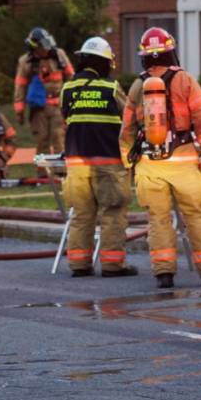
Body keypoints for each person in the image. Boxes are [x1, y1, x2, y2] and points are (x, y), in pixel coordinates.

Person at [120, 27, 201, 290]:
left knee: (158, 219)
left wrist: (127, 160)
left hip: (151, 165)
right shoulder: (185, 80)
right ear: (170, 51)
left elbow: (127, 129)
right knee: (196, 217)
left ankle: (164, 274)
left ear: (144, 57)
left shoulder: (137, 85)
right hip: (185, 161)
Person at [57, 36, 133, 278]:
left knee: (81, 214)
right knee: (113, 212)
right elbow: (129, 120)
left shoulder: (67, 89)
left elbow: (65, 119)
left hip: (76, 164)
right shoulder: (111, 88)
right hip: (108, 163)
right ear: (104, 63)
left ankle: (79, 265)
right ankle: (112, 265)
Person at [13, 28, 73, 151]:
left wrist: (72, 101)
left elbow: (71, 77)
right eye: (43, 45)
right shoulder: (26, 62)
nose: (47, 48)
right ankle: (42, 170)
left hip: (59, 105)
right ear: (34, 46)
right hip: (39, 108)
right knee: (42, 140)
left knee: (59, 138)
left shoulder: (59, 55)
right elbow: (20, 86)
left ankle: (60, 170)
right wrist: (19, 110)